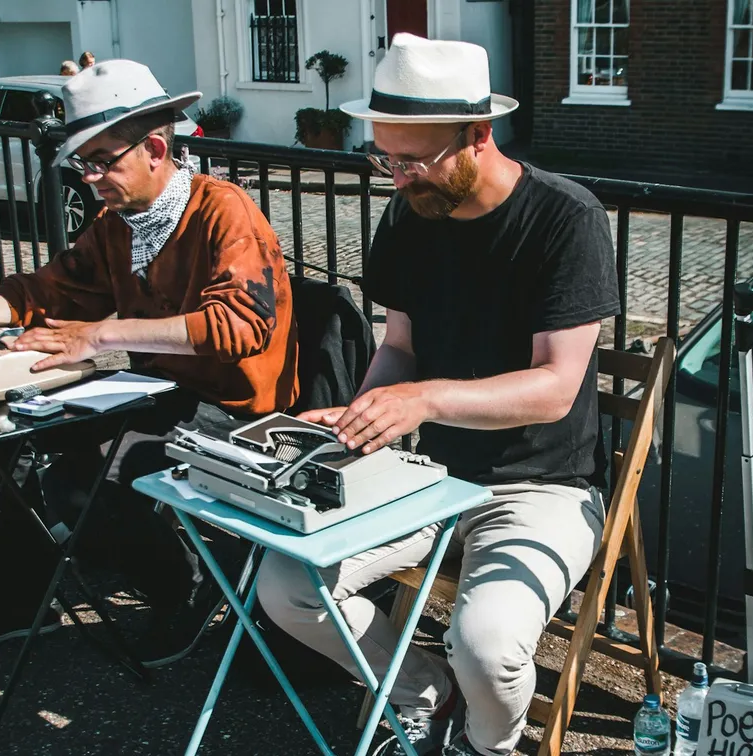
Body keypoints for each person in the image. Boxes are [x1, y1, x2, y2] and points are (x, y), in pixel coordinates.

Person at [257, 34, 619, 756]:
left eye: (413, 160)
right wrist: (363, 417)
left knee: (486, 645)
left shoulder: (565, 218)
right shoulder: (409, 215)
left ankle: (488, 747)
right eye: (384, 158)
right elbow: (399, 348)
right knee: (286, 587)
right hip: (429, 473)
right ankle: (421, 693)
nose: (396, 178)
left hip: (544, 484)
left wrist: (420, 402)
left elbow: (554, 389)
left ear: (478, 135)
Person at [0, 59, 298, 666]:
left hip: (232, 404)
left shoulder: (225, 209)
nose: (90, 179)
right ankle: (24, 595)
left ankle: (186, 592)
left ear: (157, 149)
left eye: (102, 162)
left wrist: (100, 335)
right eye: (82, 164)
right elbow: (55, 290)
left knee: (91, 478)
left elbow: (241, 325)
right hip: (155, 390)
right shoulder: (116, 223)